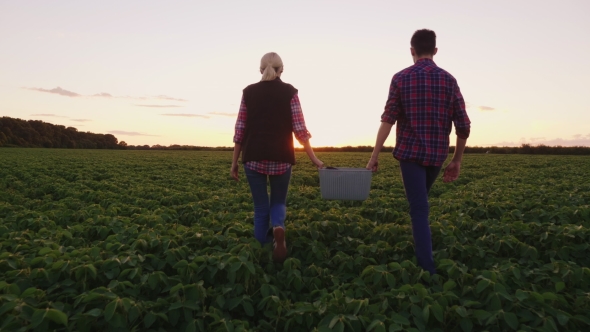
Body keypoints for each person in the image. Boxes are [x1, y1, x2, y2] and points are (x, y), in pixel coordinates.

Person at [366, 29, 471, 275]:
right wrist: (456, 160)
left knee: (419, 207)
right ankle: (420, 241)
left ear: (411, 50)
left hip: (410, 155)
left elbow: (388, 120)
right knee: (420, 202)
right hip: (437, 155)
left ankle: (427, 267)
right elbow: (463, 126)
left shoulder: (401, 78)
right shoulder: (449, 80)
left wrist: (374, 156)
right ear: (435, 51)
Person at [231, 52, 324, 263]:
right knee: (278, 202)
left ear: (260, 69)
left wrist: (234, 162)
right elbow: (300, 130)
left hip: (253, 156)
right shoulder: (290, 92)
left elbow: (240, 130)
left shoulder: (249, 92)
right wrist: (314, 159)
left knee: (260, 207)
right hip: (282, 157)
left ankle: (262, 251)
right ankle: (279, 227)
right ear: (282, 69)